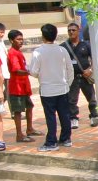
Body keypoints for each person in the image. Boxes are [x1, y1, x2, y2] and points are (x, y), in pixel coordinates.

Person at [30, 23, 74, 152]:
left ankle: (51, 142)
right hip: (62, 88)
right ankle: (66, 139)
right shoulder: (62, 50)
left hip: (47, 90)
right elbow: (70, 69)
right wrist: (68, 84)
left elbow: (33, 71)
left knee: (50, 117)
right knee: (65, 115)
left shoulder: (38, 52)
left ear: (43, 36)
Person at [5, 29, 39, 142]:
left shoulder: (18, 52)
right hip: (17, 87)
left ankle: (29, 129)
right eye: (18, 39)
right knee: (18, 111)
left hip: (24, 86)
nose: (21, 41)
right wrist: (31, 72)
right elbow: (16, 70)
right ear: (11, 40)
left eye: (21, 39)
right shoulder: (12, 53)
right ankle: (19, 134)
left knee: (29, 106)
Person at [61, 22, 97, 129]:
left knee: (91, 98)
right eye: (69, 30)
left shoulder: (85, 45)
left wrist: (90, 69)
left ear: (78, 31)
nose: (71, 32)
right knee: (72, 100)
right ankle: (74, 118)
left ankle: (94, 116)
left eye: (73, 30)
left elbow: (94, 59)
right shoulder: (64, 47)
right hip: (72, 78)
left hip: (85, 76)